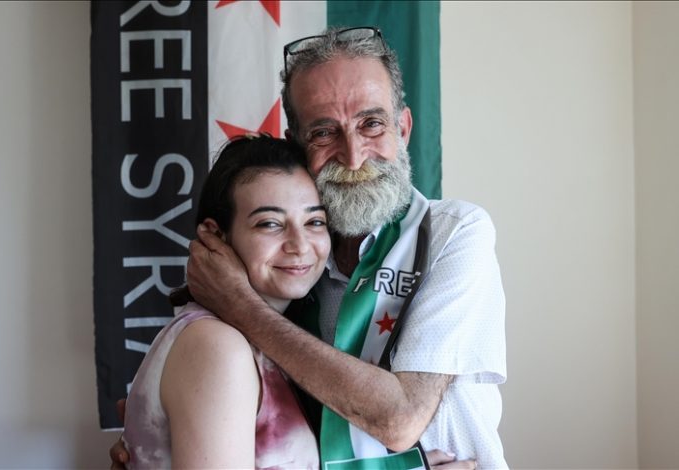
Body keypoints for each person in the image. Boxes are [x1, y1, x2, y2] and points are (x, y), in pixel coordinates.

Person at [184, 27, 508, 468]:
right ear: (297, 146)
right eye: (324, 132)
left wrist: (243, 308)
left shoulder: (454, 232)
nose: (353, 156)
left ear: (403, 128)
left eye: (371, 124)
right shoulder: (289, 258)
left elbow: (400, 419)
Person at [120, 135, 326, 469]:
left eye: (314, 221)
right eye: (270, 224)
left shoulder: (260, 339)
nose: (300, 245)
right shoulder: (218, 345)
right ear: (216, 235)